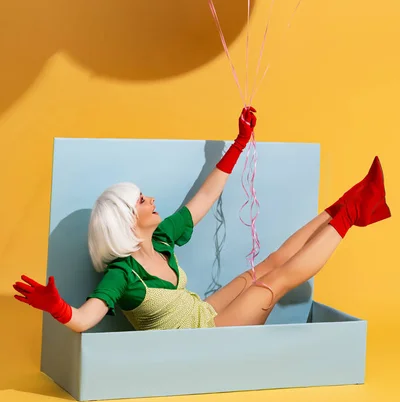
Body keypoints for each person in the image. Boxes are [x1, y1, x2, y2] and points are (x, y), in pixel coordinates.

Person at [13, 107, 391, 332]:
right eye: (142, 200)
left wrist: (239, 143)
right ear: (127, 221)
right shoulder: (122, 274)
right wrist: (56, 307)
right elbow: (84, 318)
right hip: (205, 339)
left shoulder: (161, 237)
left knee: (268, 265)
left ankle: (344, 205)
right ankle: (356, 214)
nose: (152, 199)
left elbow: (207, 195)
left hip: (206, 313)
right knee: (277, 281)